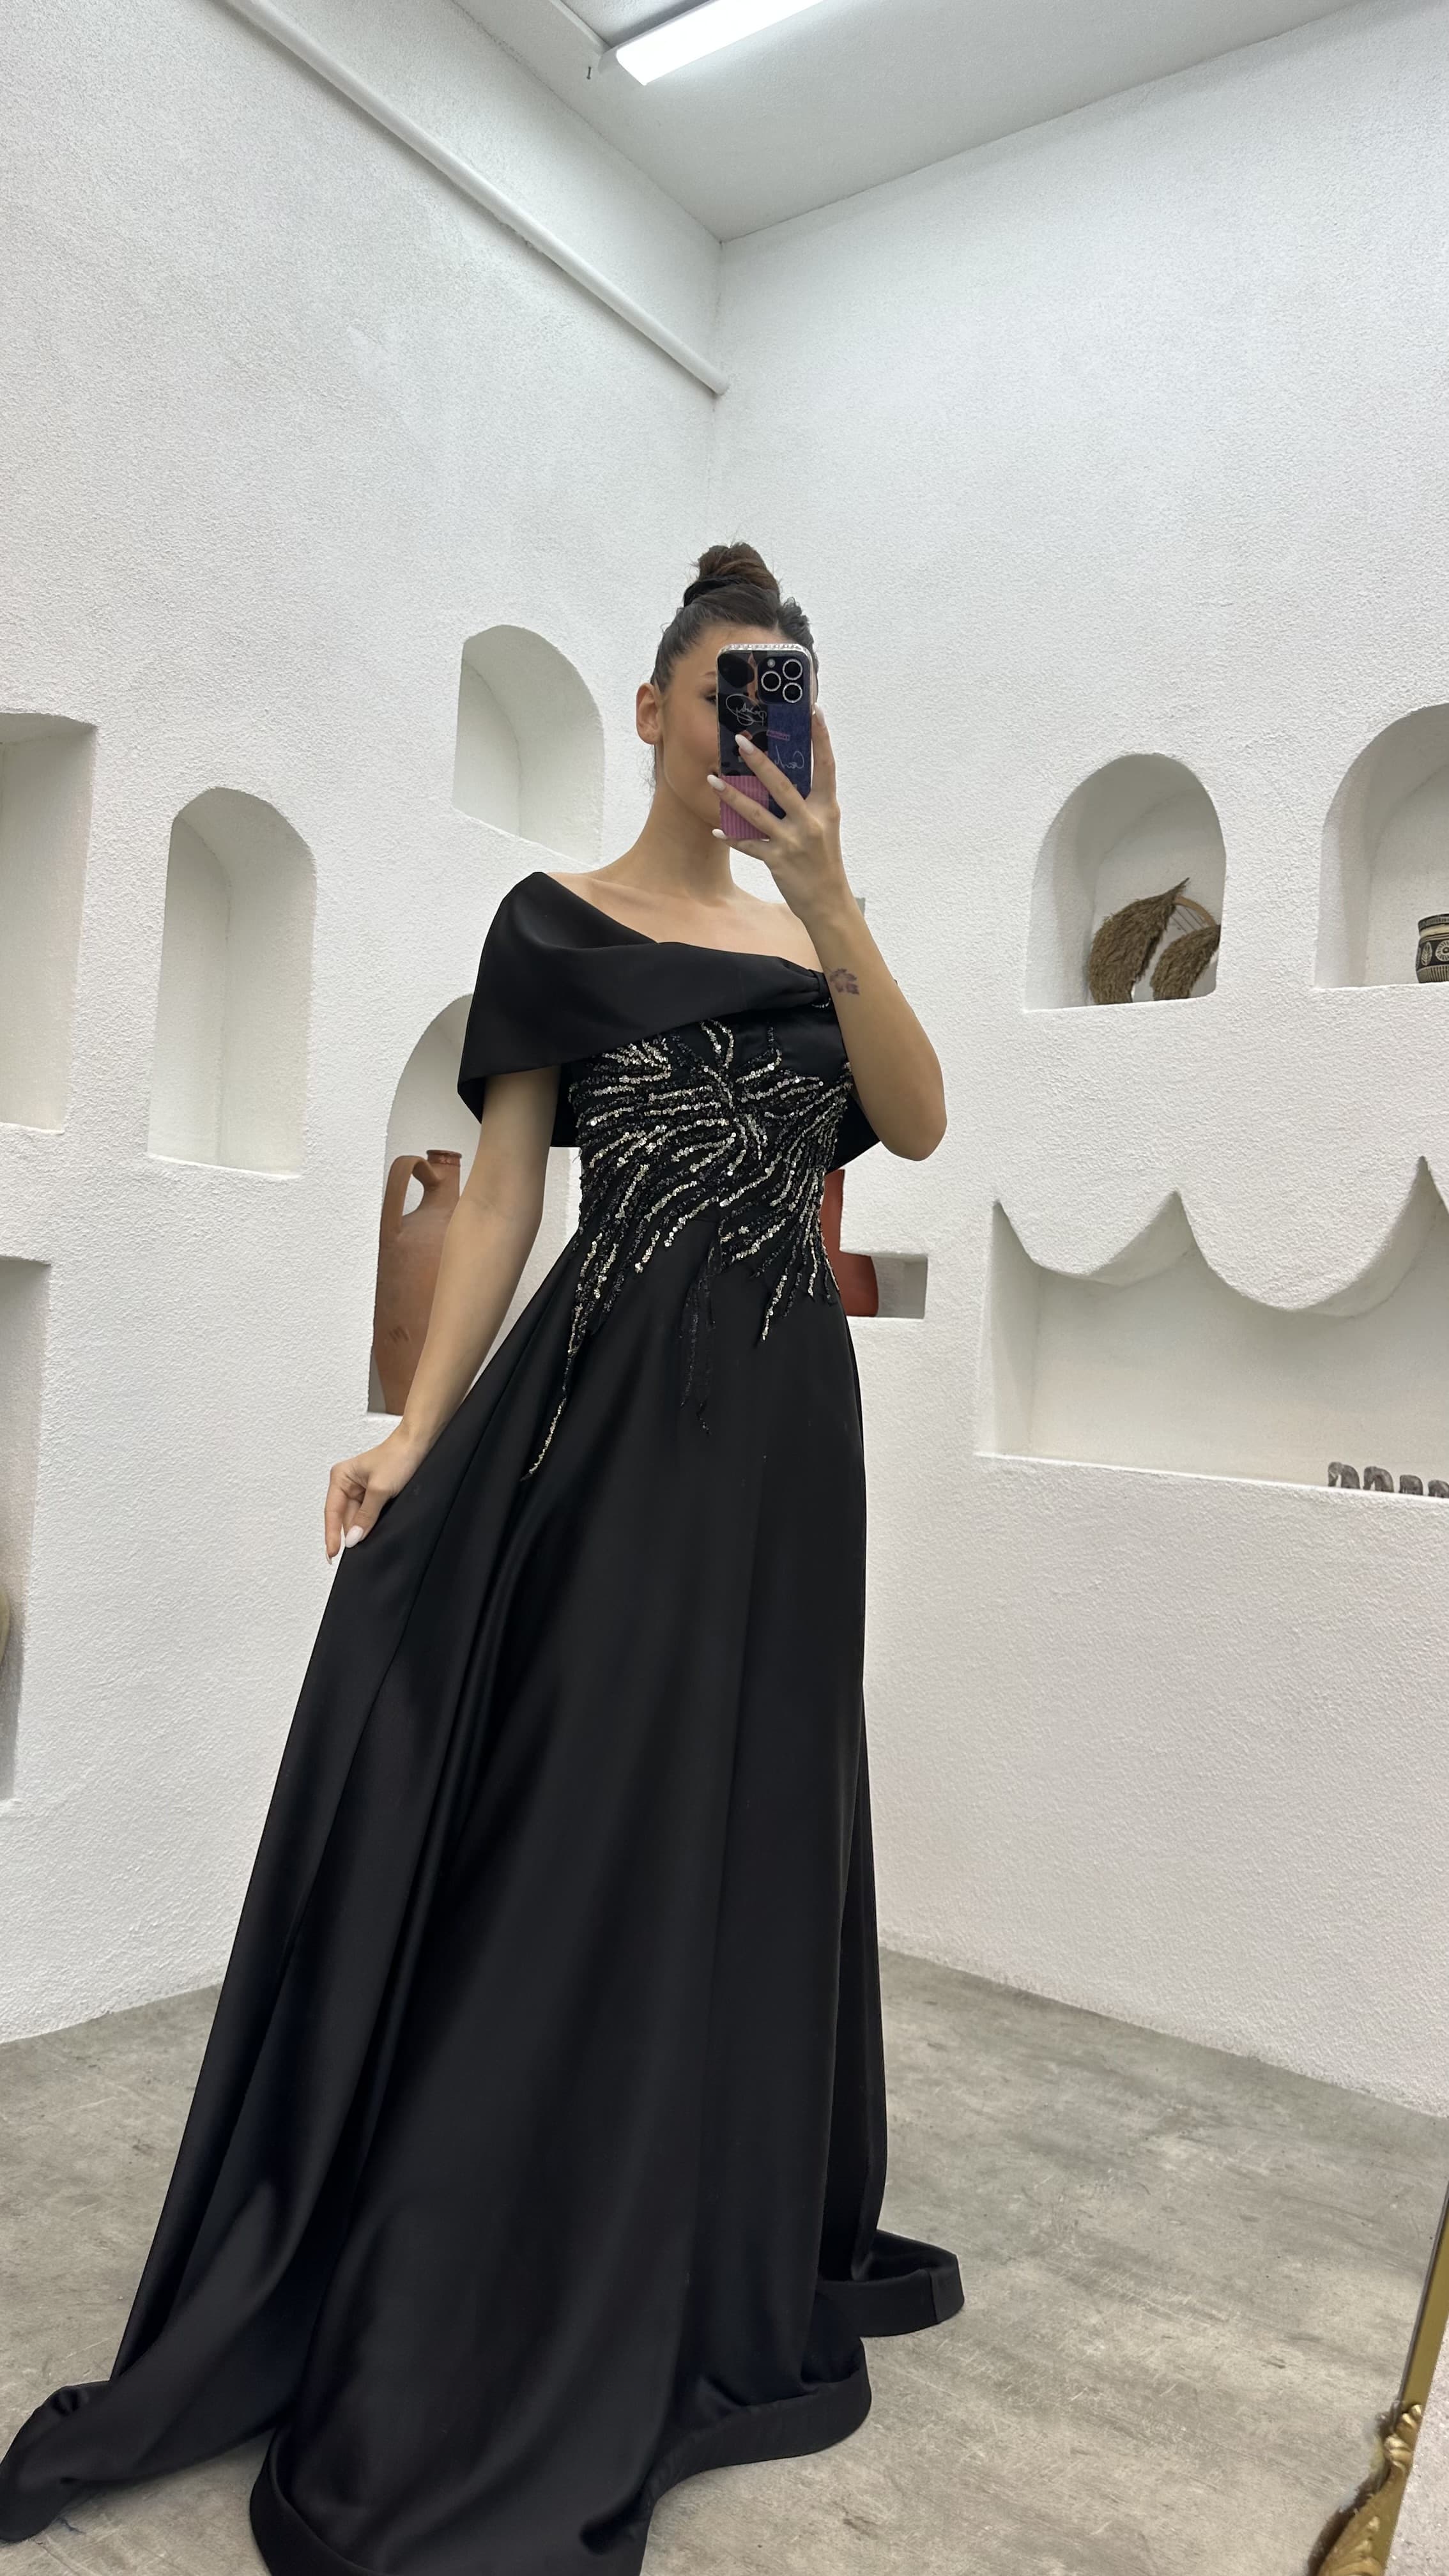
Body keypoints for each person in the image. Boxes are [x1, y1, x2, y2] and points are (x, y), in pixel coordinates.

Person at [0, 541, 962, 2574]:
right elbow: (509, 1192)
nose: (749, 731)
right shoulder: (551, 922)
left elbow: (913, 1123)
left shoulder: (815, 933)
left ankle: (704, 2226)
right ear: (654, 709)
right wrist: (417, 1429)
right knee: (571, 1814)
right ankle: (507, 2243)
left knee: (750, 1811)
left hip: (791, 1448)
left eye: (785, 699)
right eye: (724, 694)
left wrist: (831, 895)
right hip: (605, 1423)